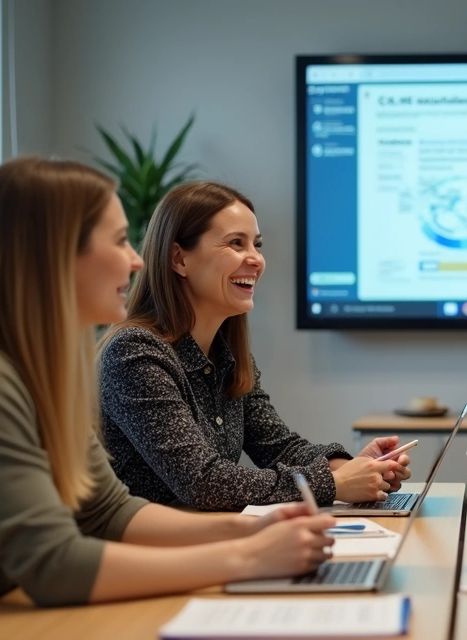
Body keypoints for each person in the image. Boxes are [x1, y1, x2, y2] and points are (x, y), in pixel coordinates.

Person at [0, 158, 337, 640]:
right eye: (118, 241)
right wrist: (247, 557)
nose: (135, 260)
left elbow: (108, 511)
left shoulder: (41, 373)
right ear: (53, 255)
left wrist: (255, 529)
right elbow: (53, 564)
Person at [98, 181, 410, 512]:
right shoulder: (134, 353)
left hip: (210, 541)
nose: (256, 260)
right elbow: (204, 483)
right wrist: (334, 483)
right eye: (236, 243)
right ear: (179, 259)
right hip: (151, 556)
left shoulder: (227, 355)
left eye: (257, 245)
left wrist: (347, 467)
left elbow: (278, 447)